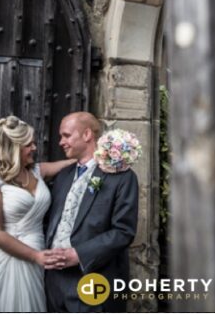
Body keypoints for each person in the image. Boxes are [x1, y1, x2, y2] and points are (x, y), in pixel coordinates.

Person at [0, 116, 75, 312]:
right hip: (4, 257)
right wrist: (35, 256)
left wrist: (99, 154)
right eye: (28, 144)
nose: (34, 148)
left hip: (37, 256)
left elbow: (72, 163)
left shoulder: (37, 171)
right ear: (13, 148)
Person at [44, 112, 139, 312]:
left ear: (87, 134)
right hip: (53, 281)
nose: (61, 142)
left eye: (66, 135)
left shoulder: (122, 177)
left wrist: (78, 254)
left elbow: (123, 231)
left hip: (93, 278)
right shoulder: (63, 175)